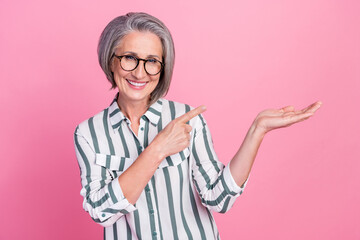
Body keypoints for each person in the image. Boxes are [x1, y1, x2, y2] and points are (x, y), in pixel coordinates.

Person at [74, 12, 322, 240]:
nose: (140, 73)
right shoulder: (88, 134)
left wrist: (258, 130)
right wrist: (158, 149)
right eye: (129, 58)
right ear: (111, 61)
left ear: (162, 68)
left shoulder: (187, 118)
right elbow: (101, 212)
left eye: (152, 61)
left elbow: (218, 198)